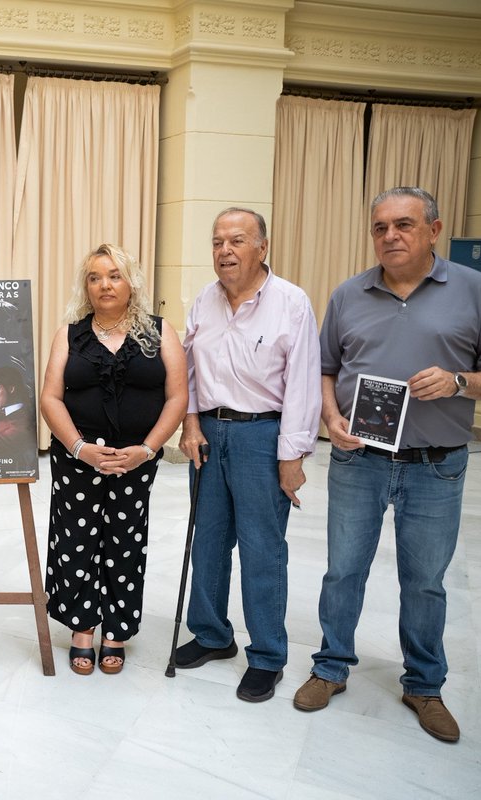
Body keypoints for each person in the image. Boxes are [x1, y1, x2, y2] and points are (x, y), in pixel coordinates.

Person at [296, 187, 481, 742]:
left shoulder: (476, 291)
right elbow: (325, 368)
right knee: (343, 570)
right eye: (380, 227)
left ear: (433, 230)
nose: (390, 236)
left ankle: (424, 685)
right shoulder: (349, 294)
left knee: (424, 582)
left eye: (404, 225)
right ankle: (331, 667)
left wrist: (459, 381)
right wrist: (331, 416)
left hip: (435, 465)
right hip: (359, 459)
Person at [175, 208, 321, 702]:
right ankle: (212, 635)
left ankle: (267, 656)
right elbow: (188, 370)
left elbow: (303, 383)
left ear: (262, 246)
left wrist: (291, 456)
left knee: (262, 548)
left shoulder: (291, 303)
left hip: (262, 434)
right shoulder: (204, 300)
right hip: (209, 432)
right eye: (217, 242)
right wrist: (190, 423)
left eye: (237, 240)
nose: (225, 251)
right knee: (208, 541)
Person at [40, 243, 187, 675]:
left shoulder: (160, 332)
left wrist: (147, 449)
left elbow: (178, 397)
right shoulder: (69, 335)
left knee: (125, 541)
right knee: (75, 541)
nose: (104, 284)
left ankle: (117, 631)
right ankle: (83, 627)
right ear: (85, 286)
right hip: (77, 459)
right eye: (95, 277)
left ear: (131, 283)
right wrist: (79, 448)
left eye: (114, 275)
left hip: (135, 460)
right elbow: (50, 397)